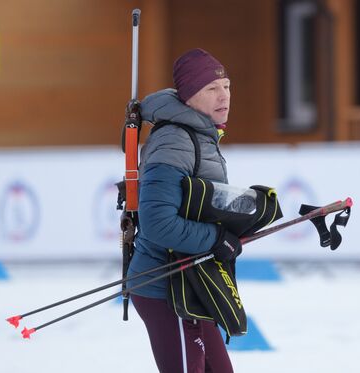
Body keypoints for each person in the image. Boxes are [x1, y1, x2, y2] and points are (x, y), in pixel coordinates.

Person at [127, 48, 242, 373]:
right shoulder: (174, 141)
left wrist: (246, 218)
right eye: (212, 89)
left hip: (192, 283)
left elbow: (198, 206)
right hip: (165, 287)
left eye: (227, 86)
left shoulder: (200, 136)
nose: (224, 96)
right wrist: (216, 239)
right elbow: (157, 223)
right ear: (189, 97)